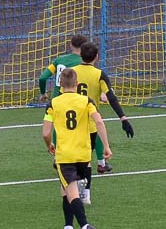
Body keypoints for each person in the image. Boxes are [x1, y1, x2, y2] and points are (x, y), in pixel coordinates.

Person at [42, 68, 112, 229]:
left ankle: (85, 227)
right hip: (84, 155)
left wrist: (49, 145)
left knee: (71, 193)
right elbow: (98, 122)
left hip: (65, 156)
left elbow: (46, 132)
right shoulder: (86, 100)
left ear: (60, 85)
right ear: (77, 83)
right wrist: (106, 146)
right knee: (65, 189)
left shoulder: (54, 103)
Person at [39, 35, 112, 174]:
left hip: (58, 99)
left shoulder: (59, 60)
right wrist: (102, 94)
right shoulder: (83, 62)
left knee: (58, 127)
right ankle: (101, 162)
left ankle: (57, 158)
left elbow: (42, 77)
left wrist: (43, 93)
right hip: (78, 100)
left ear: (71, 45)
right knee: (91, 127)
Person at [72, 42, 134, 204]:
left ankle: (75, 189)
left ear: (80, 55)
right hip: (91, 124)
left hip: (72, 125)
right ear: (97, 57)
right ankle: (86, 193)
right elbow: (111, 98)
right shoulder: (99, 75)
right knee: (86, 160)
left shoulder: (72, 72)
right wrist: (123, 118)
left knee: (75, 160)